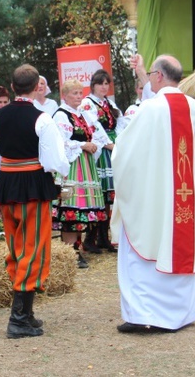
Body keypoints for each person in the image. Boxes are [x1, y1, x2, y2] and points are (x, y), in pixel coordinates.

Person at [111, 55, 195, 334]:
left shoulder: (150, 109)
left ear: (159, 76)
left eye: (151, 74)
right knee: (177, 245)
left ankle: (143, 315)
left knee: (140, 248)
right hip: (180, 192)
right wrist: (140, 71)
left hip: (153, 194)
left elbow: (124, 153)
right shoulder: (191, 106)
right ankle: (182, 314)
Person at [0, 64, 69, 339]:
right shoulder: (42, 119)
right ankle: (18, 318)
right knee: (34, 248)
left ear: (13, 85)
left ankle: (25, 314)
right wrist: (61, 173)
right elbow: (54, 161)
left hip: (7, 183)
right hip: (32, 184)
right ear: (36, 87)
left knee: (16, 247)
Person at [52, 79, 112, 268]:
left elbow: (95, 134)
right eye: (74, 94)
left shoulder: (81, 115)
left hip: (85, 165)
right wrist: (82, 145)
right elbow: (60, 141)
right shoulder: (61, 115)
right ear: (65, 96)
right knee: (71, 207)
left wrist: (93, 143)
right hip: (72, 167)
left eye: (80, 93)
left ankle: (76, 248)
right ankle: (70, 251)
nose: (79, 97)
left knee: (81, 210)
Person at [80, 69, 119, 253]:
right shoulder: (88, 103)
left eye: (106, 83)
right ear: (93, 85)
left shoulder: (108, 103)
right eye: (100, 83)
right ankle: (90, 238)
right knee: (99, 194)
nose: (104, 87)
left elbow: (119, 124)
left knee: (108, 196)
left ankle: (104, 237)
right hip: (99, 149)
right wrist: (109, 144)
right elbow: (93, 127)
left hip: (111, 147)